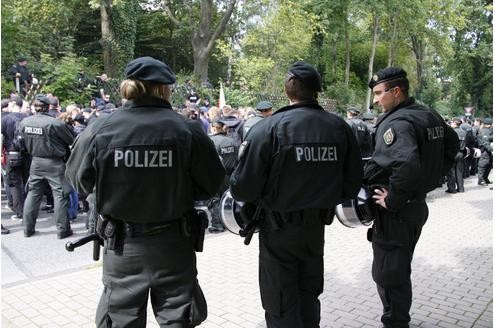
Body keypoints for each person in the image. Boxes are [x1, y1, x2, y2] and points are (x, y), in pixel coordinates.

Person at [65, 56, 225, 327]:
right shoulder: (187, 130)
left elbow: (78, 181)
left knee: (121, 320)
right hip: (174, 246)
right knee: (178, 320)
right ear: (164, 89)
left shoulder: (101, 129)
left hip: (123, 249)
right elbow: (214, 184)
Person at [230, 61, 363, 328]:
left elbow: (242, 187)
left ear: (288, 90)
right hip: (315, 229)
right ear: (316, 91)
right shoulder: (339, 127)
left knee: (280, 301)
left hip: (278, 230)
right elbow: (351, 185)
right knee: (308, 295)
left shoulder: (269, 128)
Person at [364, 67, 459, 328]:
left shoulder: (398, 123)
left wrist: (394, 198)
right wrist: (432, 178)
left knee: (389, 274)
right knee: (397, 268)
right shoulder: (427, 114)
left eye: (379, 93)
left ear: (396, 91)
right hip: (415, 208)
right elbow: (453, 146)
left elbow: (406, 165)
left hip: (397, 213)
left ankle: (395, 323)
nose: (375, 100)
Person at [20, 94, 75, 239]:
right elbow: (71, 140)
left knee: (33, 194)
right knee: (60, 195)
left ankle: (27, 229)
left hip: (36, 162)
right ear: (48, 107)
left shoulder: (25, 122)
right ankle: (62, 230)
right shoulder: (55, 123)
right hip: (54, 163)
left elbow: (21, 142)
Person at [1, 96, 30, 220]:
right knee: (27, 181)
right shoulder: (28, 118)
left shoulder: (5, 119)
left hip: (11, 154)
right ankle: (30, 210)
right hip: (27, 154)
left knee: (14, 184)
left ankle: (20, 212)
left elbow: (1, 137)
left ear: (13, 104)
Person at [207, 120, 238, 233]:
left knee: (215, 200)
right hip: (231, 175)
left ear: (214, 128)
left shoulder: (211, 141)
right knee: (228, 200)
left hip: (216, 175)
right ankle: (230, 223)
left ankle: (217, 225)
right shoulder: (232, 141)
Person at [446, 118, 466, 193]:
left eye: (452, 122)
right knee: (459, 171)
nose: (451, 123)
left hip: (452, 153)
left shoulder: (451, 131)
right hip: (461, 153)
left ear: (455, 123)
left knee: (451, 171)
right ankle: (461, 188)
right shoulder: (463, 132)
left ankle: (452, 188)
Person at [477, 118, 493, 186]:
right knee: (482, 166)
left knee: (489, 165)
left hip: (487, 151)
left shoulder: (488, 130)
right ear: (489, 125)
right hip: (485, 151)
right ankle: (481, 180)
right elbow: (485, 142)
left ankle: (485, 178)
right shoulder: (484, 131)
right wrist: (491, 149)